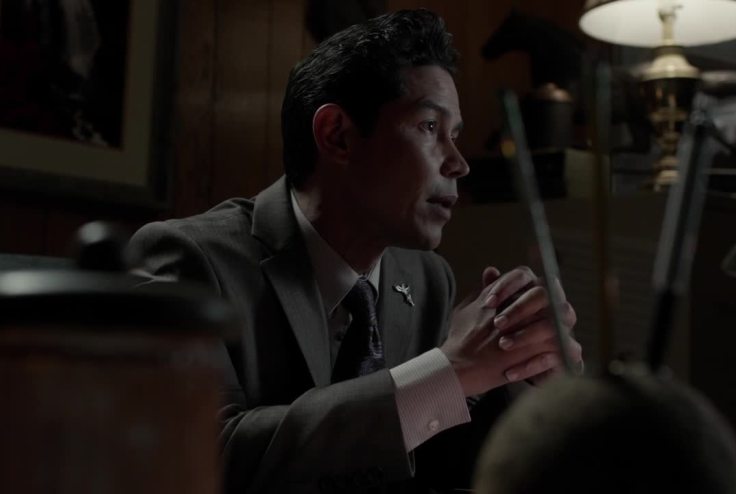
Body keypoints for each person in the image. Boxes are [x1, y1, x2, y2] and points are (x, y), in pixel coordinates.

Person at [128, 9, 582, 493]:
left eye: (456, 136)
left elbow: (445, 461)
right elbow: (201, 457)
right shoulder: (186, 259)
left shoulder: (428, 279)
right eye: (430, 126)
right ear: (338, 135)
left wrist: (527, 378)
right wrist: (449, 371)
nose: (459, 163)